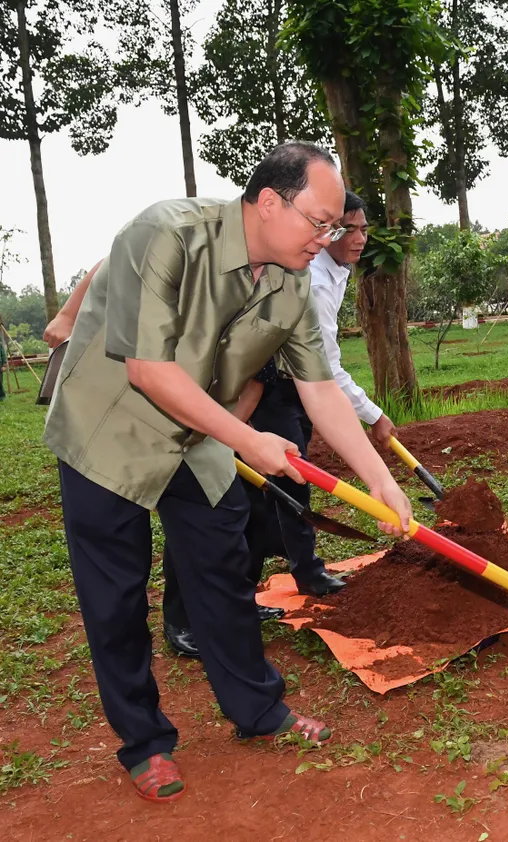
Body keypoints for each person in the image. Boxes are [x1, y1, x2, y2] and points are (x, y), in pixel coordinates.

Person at [42, 141, 412, 803]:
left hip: (197, 432)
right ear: (269, 203)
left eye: (335, 227)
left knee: (222, 565)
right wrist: (249, 439)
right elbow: (147, 369)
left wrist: (378, 477)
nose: (328, 239)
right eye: (320, 223)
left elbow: (320, 388)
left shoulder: (291, 281)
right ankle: (145, 743)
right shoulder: (165, 235)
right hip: (108, 429)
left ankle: (258, 708)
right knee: (116, 593)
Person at [161, 190, 396, 658]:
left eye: (357, 228)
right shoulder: (214, 254)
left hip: (269, 393)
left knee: (254, 508)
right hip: (214, 402)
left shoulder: (307, 278)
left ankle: (248, 596)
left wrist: (379, 476)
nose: (351, 237)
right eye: (336, 227)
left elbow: (312, 375)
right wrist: (233, 430)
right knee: (208, 506)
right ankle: (182, 619)